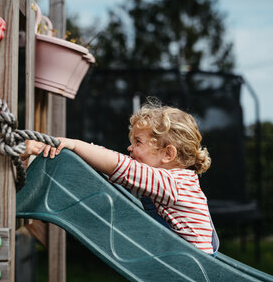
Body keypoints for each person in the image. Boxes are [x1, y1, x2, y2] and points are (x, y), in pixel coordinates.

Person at [26, 99, 219, 255]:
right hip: (188, 259)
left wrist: (74, 145)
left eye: (138, 142)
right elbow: (113, 165)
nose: (130, 148)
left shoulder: (170, 183)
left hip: (193, 267)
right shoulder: (182, 181)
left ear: (168, 154)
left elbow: (121, 166)